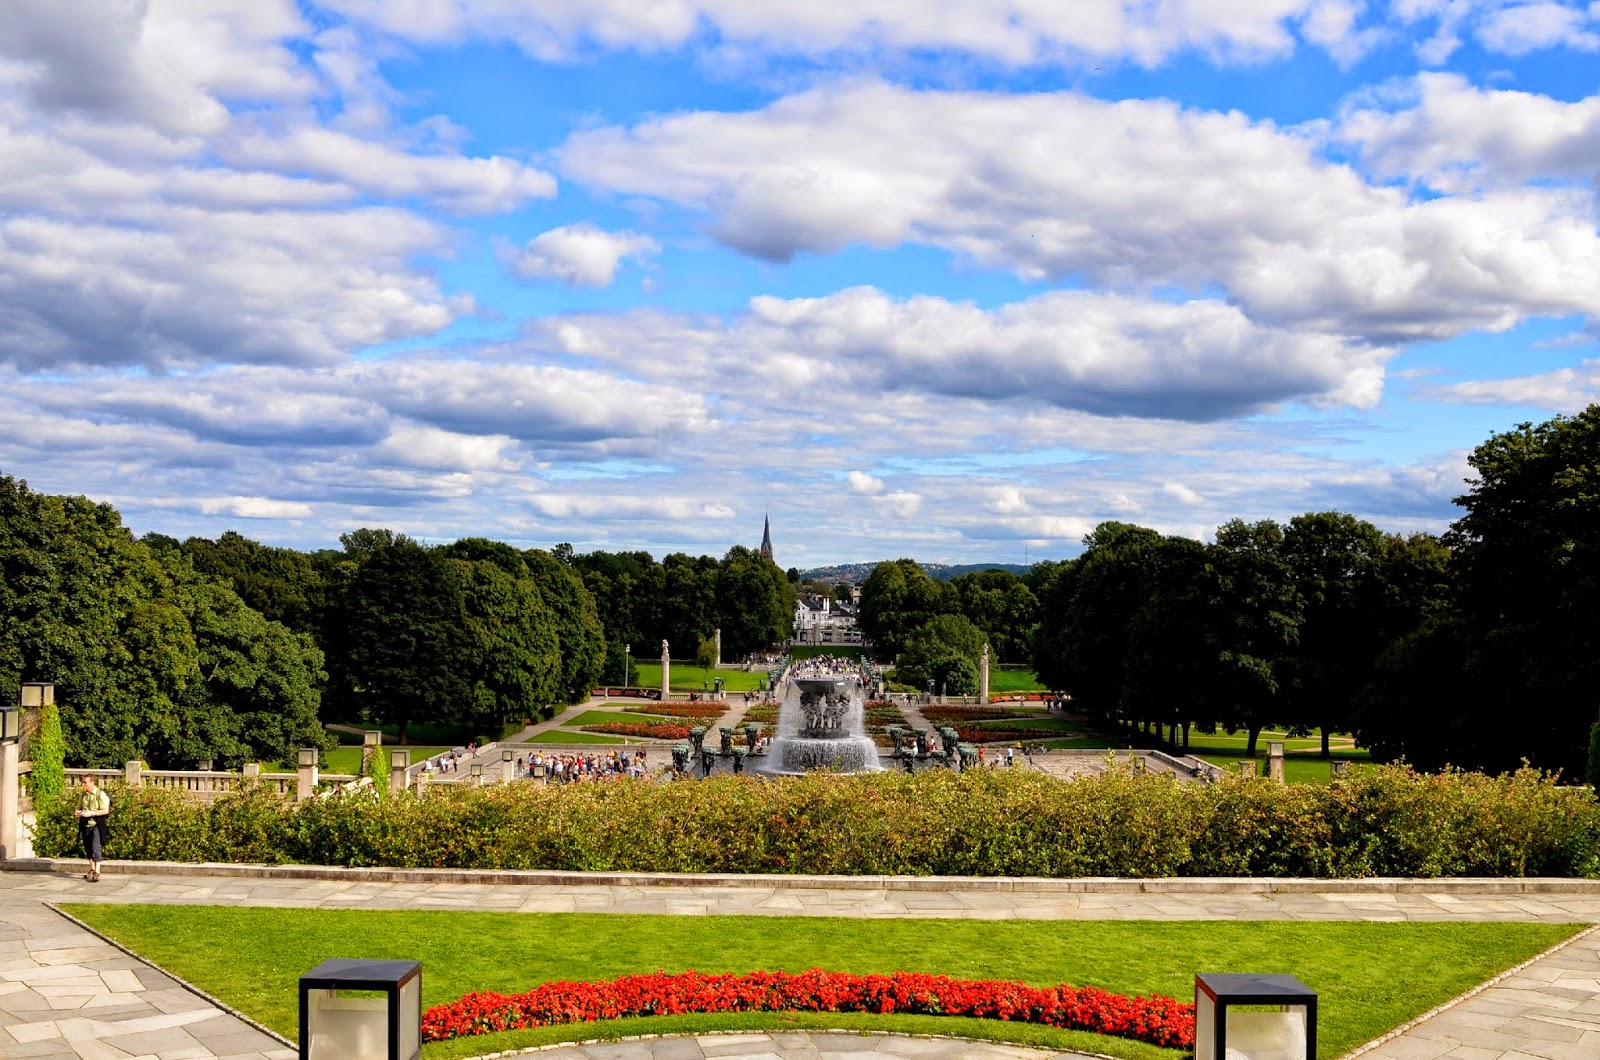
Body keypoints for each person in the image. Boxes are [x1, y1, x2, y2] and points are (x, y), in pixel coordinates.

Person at [75, 773, 111, 882]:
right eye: (83, 782)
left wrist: (92, 813)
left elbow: (106, 810)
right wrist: (80, 813)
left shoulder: (100, 794)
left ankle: (97, 871)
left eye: (86, 782)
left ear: (92, 782)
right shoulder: (83, 795)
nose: (84, 784)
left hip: (96, 824)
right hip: (85, 824)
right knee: (88, 847)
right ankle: (92, 868)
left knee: (96, 846)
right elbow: (77, 810)